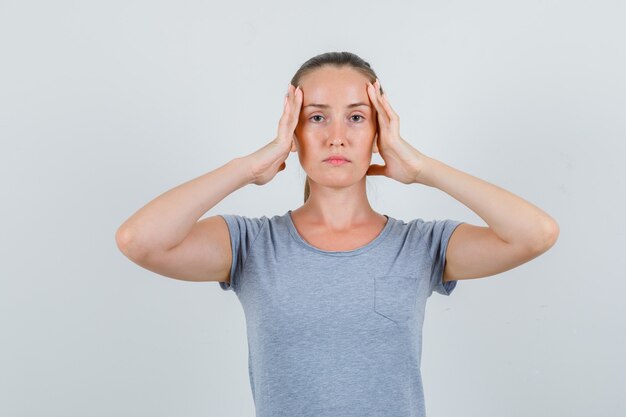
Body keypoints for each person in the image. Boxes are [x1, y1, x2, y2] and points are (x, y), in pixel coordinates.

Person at [115, 51, 559, 417]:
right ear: (293, 131)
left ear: (379, 132)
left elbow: (535, 234)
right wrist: (249, 167)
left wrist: (422, 168)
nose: (337, 137)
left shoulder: (420, 247)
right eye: (317, 117)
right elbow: (140, 240)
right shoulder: (252, 245)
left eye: (356, 117)